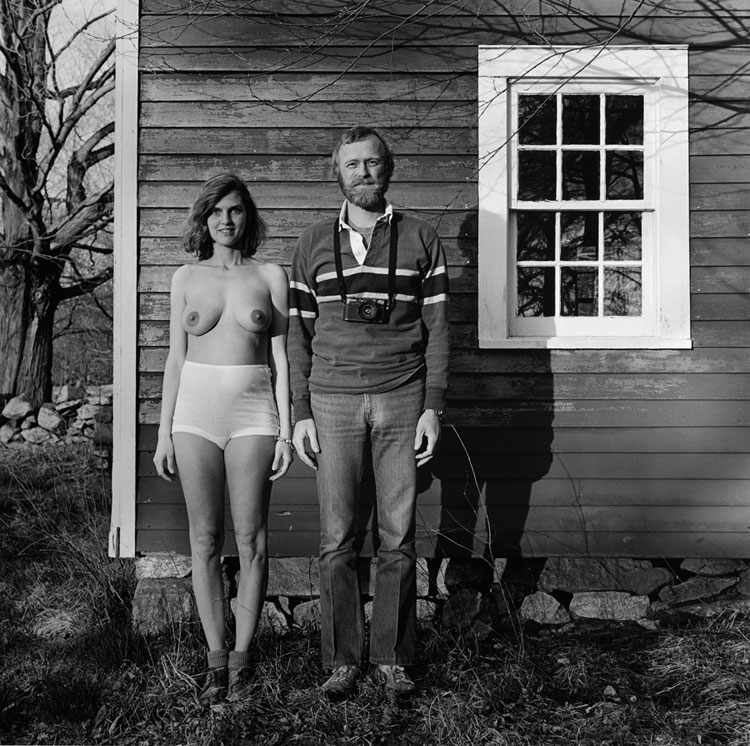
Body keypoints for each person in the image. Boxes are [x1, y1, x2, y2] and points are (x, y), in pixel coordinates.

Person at [288, 126, 450, 698]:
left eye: (373, 162)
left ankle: (392, 659)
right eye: (352, 164)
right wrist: (301, 410)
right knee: (337, 536)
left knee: (397, 535)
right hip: (331, 399)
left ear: (389, 168)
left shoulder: (421, 237)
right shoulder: (311, 242)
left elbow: (438, 329)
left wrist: (433, 407)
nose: (363, 172)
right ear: (337, 172)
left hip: (403, 396)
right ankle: (342, 660)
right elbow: (298, 334)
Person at [153, 173, 293, 706]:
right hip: (194, 416)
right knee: (205, 540)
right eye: (216, 211)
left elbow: (281, 359)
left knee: (252, 538)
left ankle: (243, 659)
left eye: (234, 210)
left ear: (247, 216)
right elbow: (175, 358)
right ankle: (216, 661)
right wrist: (164, 433)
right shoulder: (185, 277)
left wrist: (285, 430)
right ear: (204, 218)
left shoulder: (270, 275)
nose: (225, 220)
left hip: (254, 414)